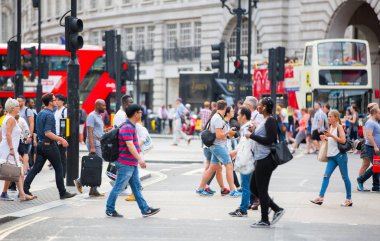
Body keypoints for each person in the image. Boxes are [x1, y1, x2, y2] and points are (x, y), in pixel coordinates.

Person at [105, 104, 160, 218]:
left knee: (136, 188)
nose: (141, 114)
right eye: (140, 112)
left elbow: (133, 144)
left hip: (131, 162)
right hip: (126, 163)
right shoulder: (127, 127)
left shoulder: (131, 126)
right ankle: (109, 209)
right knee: (118, 187)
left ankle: (145, 209)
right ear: (135, 114)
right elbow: (129, 145)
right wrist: (140, 159)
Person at [23, 93, 76, 200]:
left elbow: (39, 131)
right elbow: (47, 132)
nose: (56, 101)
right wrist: (61, 139)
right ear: (50, 102)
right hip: (49, 145)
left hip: (40, 145)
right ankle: (62, 192)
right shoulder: (50, 115)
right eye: (54, 100)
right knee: (59, 167)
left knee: (36, 168)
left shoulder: (41, 113)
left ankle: (24, 188)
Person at [245, 97, 285, 228]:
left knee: (261, 190)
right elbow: (264, 136)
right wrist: (254, 132)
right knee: (253, 187)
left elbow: (269, 140)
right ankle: (276, 209)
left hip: (266, 159)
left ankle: (264, 220)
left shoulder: (271, 121)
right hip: (260, 158)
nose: (258, 107)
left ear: (266, 107)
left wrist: (251, 136)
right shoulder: (265, 120)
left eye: (261, 105)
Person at [196, 100, 240, 197]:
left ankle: (200, 188)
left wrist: (230, 134)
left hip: (217, 145)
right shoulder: (218, 119)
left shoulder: (218, 117)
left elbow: (220, 135)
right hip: (218, 146)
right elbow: (219, 135)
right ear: (224, 108)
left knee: (212, 168)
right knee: (229, 165)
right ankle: (233, 190)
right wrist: (228, 132)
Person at [311, 110, 352, 207]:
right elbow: (331, 140)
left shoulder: (339, 127)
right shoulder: (330, 127)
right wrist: (325, 138)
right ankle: (320, 197)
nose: (328, 118)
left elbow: (343, 140)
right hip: (332, 157)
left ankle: (349, 199)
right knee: (326, 176)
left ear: (336, 118)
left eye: (330, 117)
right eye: (328, 116)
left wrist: (331, 136)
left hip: (340, 156)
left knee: (345, 177)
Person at [0, 98, 35, 202]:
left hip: (11, 149)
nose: (19, 107)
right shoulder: (10, 119)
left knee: (17, 171)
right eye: (17, 106)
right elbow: (8, 134)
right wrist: (11, 149)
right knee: (12, 171)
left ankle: (22, 194)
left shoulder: (10, 118)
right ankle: (17, 194)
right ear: (12, 108)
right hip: (8, 148)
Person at [74, 99, 107, 197]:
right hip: (94, 143)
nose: (105, 108)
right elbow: (90, 132)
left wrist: (106, 130)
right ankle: (80, 181)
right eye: (103, 106)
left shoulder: (99, 116)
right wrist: (92, 147)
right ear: (97, 106)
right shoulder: (91, 116)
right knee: (97, 165)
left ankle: (93, 190)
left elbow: (98, 130)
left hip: (98, 142)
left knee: (95, 165)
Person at [229, 107, 253, 217]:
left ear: (243, 116)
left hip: (246, 160)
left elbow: (247, 146)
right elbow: (243, 144)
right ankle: (243, 207)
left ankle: (243, 209)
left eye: (239, 114)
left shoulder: (248, 127)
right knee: (249, 186)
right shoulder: (246, 127)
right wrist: (235, 151)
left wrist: (238, 155)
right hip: (246, 159)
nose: (237, 116)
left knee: (245, 186)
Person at [199, 110, 228, 195]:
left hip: (207, 147)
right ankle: (204, 187)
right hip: (210, 147)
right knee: (212, 168)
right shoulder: (215, 122)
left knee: (215, 168)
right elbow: (218, 135)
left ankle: (207, 187)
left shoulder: (210, 121)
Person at [357, 107, 380, 192]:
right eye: (379, 113)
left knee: (377, 167)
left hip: (376, 148)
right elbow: (369, 136)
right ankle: (361, 179)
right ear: (374, 113)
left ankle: (376, 186)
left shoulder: (375, 122)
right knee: (377, 166)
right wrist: (375, 146)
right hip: (371, 148)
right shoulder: (370, 122)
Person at [54, 94, 68, 178]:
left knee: (62, 156)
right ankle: (60, 174)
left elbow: (66, 124)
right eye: (55, 100)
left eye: (58, 100)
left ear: (62, 101)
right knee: (58, 157)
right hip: (56, 136)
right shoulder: (56, 111)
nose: (56, 101)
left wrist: (63, 137)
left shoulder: (64, 111)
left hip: (61, 136)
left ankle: (63, 175)